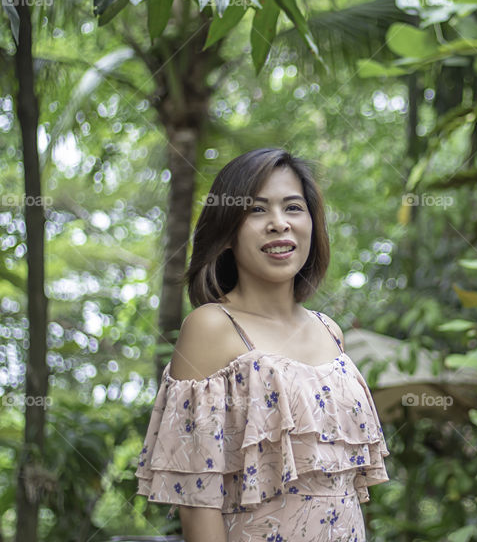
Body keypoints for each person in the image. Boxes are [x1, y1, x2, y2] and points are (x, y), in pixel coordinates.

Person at [135, 148, 390, 541]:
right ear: (227, 232)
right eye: (257, 210)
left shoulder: (329, 331)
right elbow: (197, 503)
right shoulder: (211, 327)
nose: (278, 224)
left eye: (292, 207)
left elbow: (344, 492)